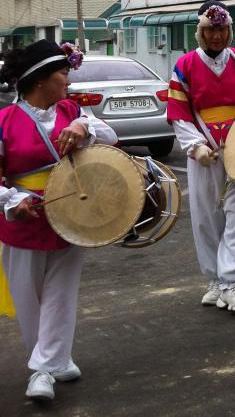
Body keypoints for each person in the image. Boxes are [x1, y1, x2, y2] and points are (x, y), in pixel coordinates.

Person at [0, 40, 118, 401]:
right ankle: (55, 359)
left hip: (71, 216)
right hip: (24, 221)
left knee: (61, 297)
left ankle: (42, 370)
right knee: (28, 299)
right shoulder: (4, 121)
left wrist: (85, 128)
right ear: (40, 80)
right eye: (63, 74)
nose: (68, 81)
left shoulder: (71, 111)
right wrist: (13, 201)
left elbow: (111, 138)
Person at [167, 1, 235, 314]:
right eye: (210, 29)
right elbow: (178, 113)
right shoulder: (185, 65)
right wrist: (194, 146)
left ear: (228, 30)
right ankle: (215, 280)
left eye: (221, 29)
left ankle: (233, 284)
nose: (216, 36)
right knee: (206, 218)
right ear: (200, 31)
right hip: (203, 151)